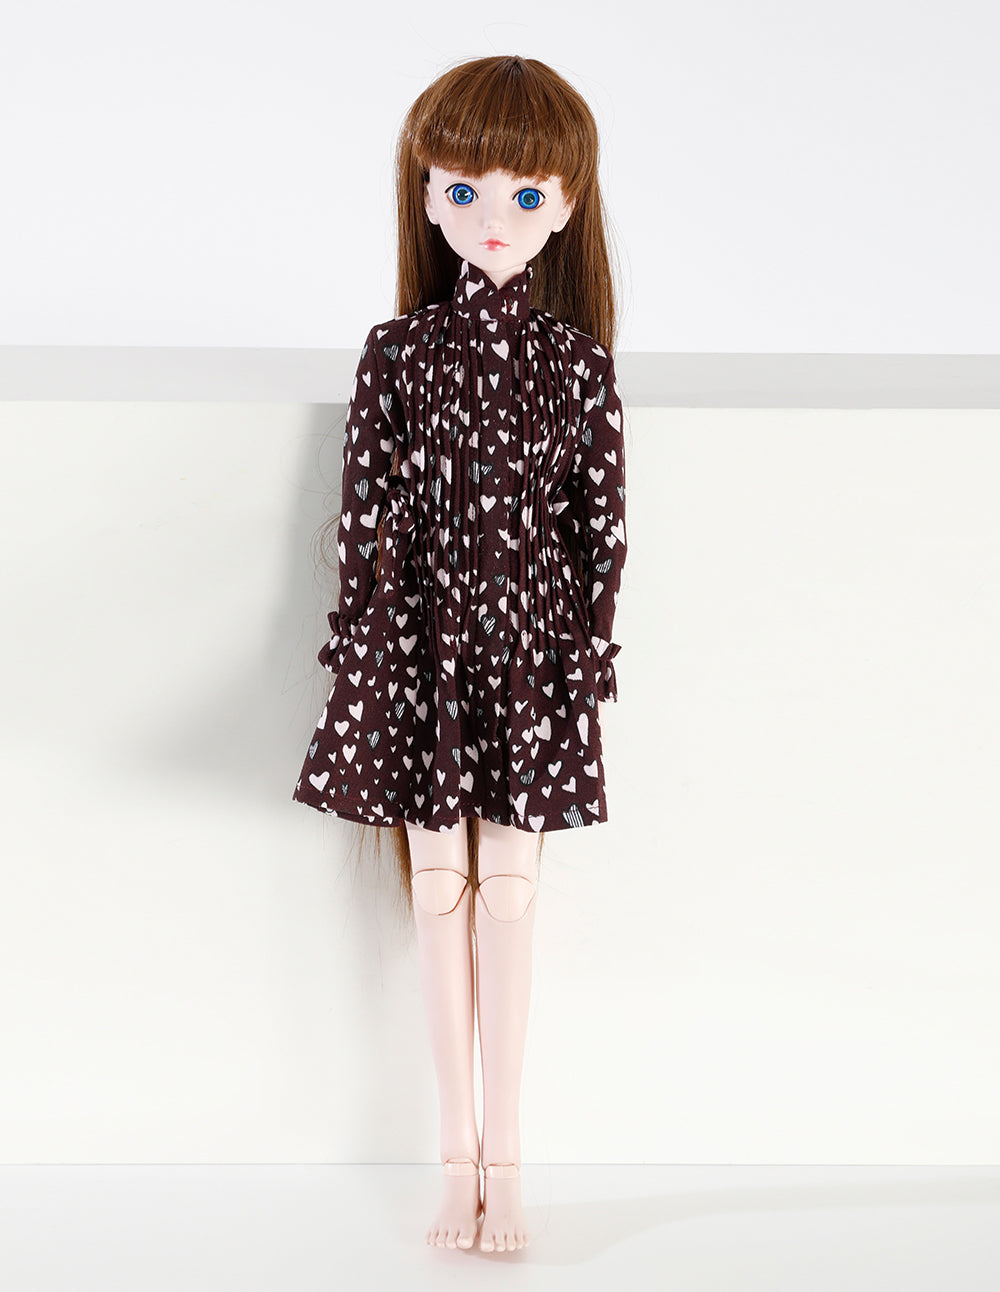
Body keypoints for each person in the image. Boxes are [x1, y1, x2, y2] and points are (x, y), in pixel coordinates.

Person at [293, 53, 627, 1253]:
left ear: (567, 206)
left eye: (527, 194)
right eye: (465, 188)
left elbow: (602, 525)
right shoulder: (398, 353)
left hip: (531, 652)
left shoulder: (577, 364)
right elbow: (364, 512)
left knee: (512, 893)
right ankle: (456, 1158)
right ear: (426, 194)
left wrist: (583, 652)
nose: (495, 215)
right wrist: (368, 644)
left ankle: (510, 1162)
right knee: (438, 889)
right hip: (423, 647)